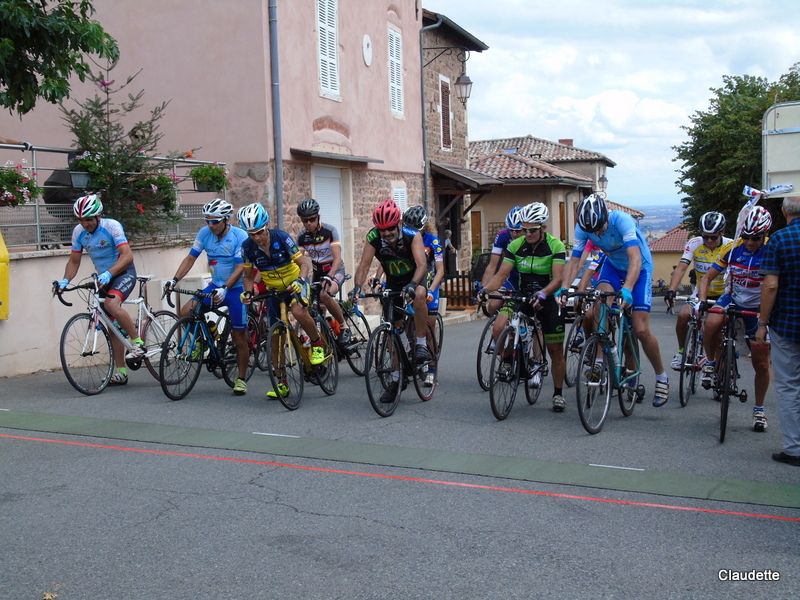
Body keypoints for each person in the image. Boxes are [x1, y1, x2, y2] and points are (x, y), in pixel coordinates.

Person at [559, 193, 670, 407]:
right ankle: (600, 361)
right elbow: (575, 261)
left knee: (640, 329)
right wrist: (565, 288)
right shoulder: (583, 228)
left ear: (605, 216)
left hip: (639, 268)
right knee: (601, 300)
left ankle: (661, 376)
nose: (597, 233)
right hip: (612, 266)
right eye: (593, 231)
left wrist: (627, 288)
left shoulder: (622, 221)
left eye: (600, 228)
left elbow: (635, 259)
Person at [479, 202, 567, 412]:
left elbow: (558, 279)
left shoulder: (556, 246)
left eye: (532, 230)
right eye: (524, 229)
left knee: (555, 350)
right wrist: (484, 291)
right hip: (522, 296)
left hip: (547, 297)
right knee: (505, 327)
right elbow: (501, 275)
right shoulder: (516, 245)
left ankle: (557, 393)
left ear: (543, 228)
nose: (527, 234)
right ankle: (509, 360)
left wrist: (544, 293)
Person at [236, 202, 327, 399]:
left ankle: (317, 343)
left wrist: (300, 281)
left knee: (298, 311)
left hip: (295, 282)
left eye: (259, 232)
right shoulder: (247, 247)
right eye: (251, 234)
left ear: (266, 226)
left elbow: (303, 263)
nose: (256, 238)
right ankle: (282, 382)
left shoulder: (282, 238)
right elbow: (248, 276)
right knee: (275, 336)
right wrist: (248, 293)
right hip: (274, 290)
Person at [164, 199, 251, 395]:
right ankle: (202, 341)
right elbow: (190, 258)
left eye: (215, 221)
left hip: (235, 289)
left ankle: (241, 378)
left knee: (239, 337)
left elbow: (240, 267)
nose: (210, 225)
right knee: (186, 311)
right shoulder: (204, 234)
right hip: (214, 286)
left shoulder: (240, 236)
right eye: (208, 221)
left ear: (226, 220)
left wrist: (226, 288)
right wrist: (174, 280)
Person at [56, 194, 144, 385]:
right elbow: (74, 260)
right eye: (81, 220)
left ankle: (137, 343)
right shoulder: (78, 232)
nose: (85, 224)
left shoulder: (111, 226)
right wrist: (65, 280)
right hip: (103, 278)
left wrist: (109, 273)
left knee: (112, 303)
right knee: (111, 325)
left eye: (88, 219)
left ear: (98, 216)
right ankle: (121, 372)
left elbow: (127, 256)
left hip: (122, 272)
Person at [698, 205, 772, 432]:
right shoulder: (733, 250)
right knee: (710, 322)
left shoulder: (770, 252)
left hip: (758, 307)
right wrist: (702, 300)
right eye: (747, 237)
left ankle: (759, 410)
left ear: (765, 234)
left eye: (756, 238)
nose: (750, 242)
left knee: (760, 361)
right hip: (733, 298)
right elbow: (708, 277)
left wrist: (765, 319)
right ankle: (710, 362)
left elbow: (773, 286)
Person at [351, 198, 431, 403]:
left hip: (415, 277)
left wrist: (413, 285)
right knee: (392, 333)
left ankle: (421, 344)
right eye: (382, 230)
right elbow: (364, 265)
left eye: (390, 229)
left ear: (399, 224)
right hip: (394, 282)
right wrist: (357, 288)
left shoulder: (412, 234)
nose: (386, 233)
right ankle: (397, 379)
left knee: (420, 294)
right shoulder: (373, 236)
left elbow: (422, 264)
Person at [757, 196, 800, 465]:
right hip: (788, 322)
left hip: (788, 324)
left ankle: (794, 448)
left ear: (784, 212)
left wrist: (762, 323)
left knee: (788, 386)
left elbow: (770, 285)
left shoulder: (779, 240)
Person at [664, 211, 731, 370]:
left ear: (721, 233)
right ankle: (681, 352)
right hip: (701, 291)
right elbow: (681, 269)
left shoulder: (731, 245)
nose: (708, 240)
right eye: (705, 236)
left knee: (717, 332)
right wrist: (671, 290)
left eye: (713, 237)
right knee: (683, 315)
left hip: (723, 293)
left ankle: (717, 367)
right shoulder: (694, 243)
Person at [295, 198, 352, 346]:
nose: (308, 223)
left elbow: (337, 258)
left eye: (312, 219)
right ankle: (328, 330)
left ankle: (344, 326)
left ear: (318, 216)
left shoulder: (330, 231)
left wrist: (330, 276)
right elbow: (298, 261)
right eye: (304, 220)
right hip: (318, 272)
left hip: (335, 269)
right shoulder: (302, 237)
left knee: (324, 294)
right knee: (311, 305)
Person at [403, 205, 445, 386]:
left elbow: (441, 270)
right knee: (407, 328)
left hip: (430, 283)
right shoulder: (404, 237)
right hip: (414, 281)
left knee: (428, 328)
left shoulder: (432, 240)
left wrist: (432, 290)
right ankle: (414, 355)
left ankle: (432, 369)